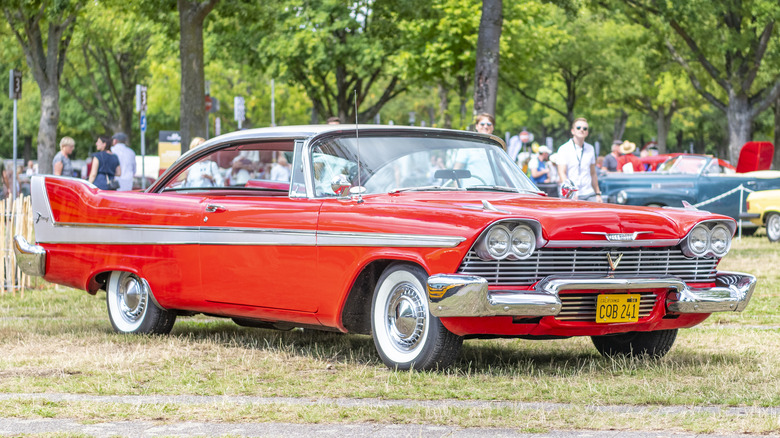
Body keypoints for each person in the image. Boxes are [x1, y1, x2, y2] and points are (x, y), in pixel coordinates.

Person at [556, 118, 601, 202]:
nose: (581, 130)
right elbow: (562, 172)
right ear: (573, 131)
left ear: (587, 132)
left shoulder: (590, 148)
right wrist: (570, 192)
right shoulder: (564, 149)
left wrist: (598, 193)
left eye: (585, 128)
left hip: (588, 193)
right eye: (578, 128)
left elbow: (593, 173)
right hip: (570, 194)